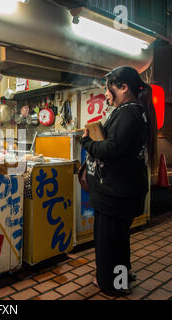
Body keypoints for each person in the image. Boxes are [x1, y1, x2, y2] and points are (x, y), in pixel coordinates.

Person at [80, 66, 157, 297]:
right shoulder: (136, 111)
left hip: (116, 193)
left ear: (123, 87)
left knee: (109, 244)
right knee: (119, 241)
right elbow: (121, 144)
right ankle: (123, 279)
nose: (106, 93)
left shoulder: (128, 111)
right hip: (124, 190)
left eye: (108, 88)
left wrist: (87, 143)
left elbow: (112, 148)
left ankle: (112, 285)